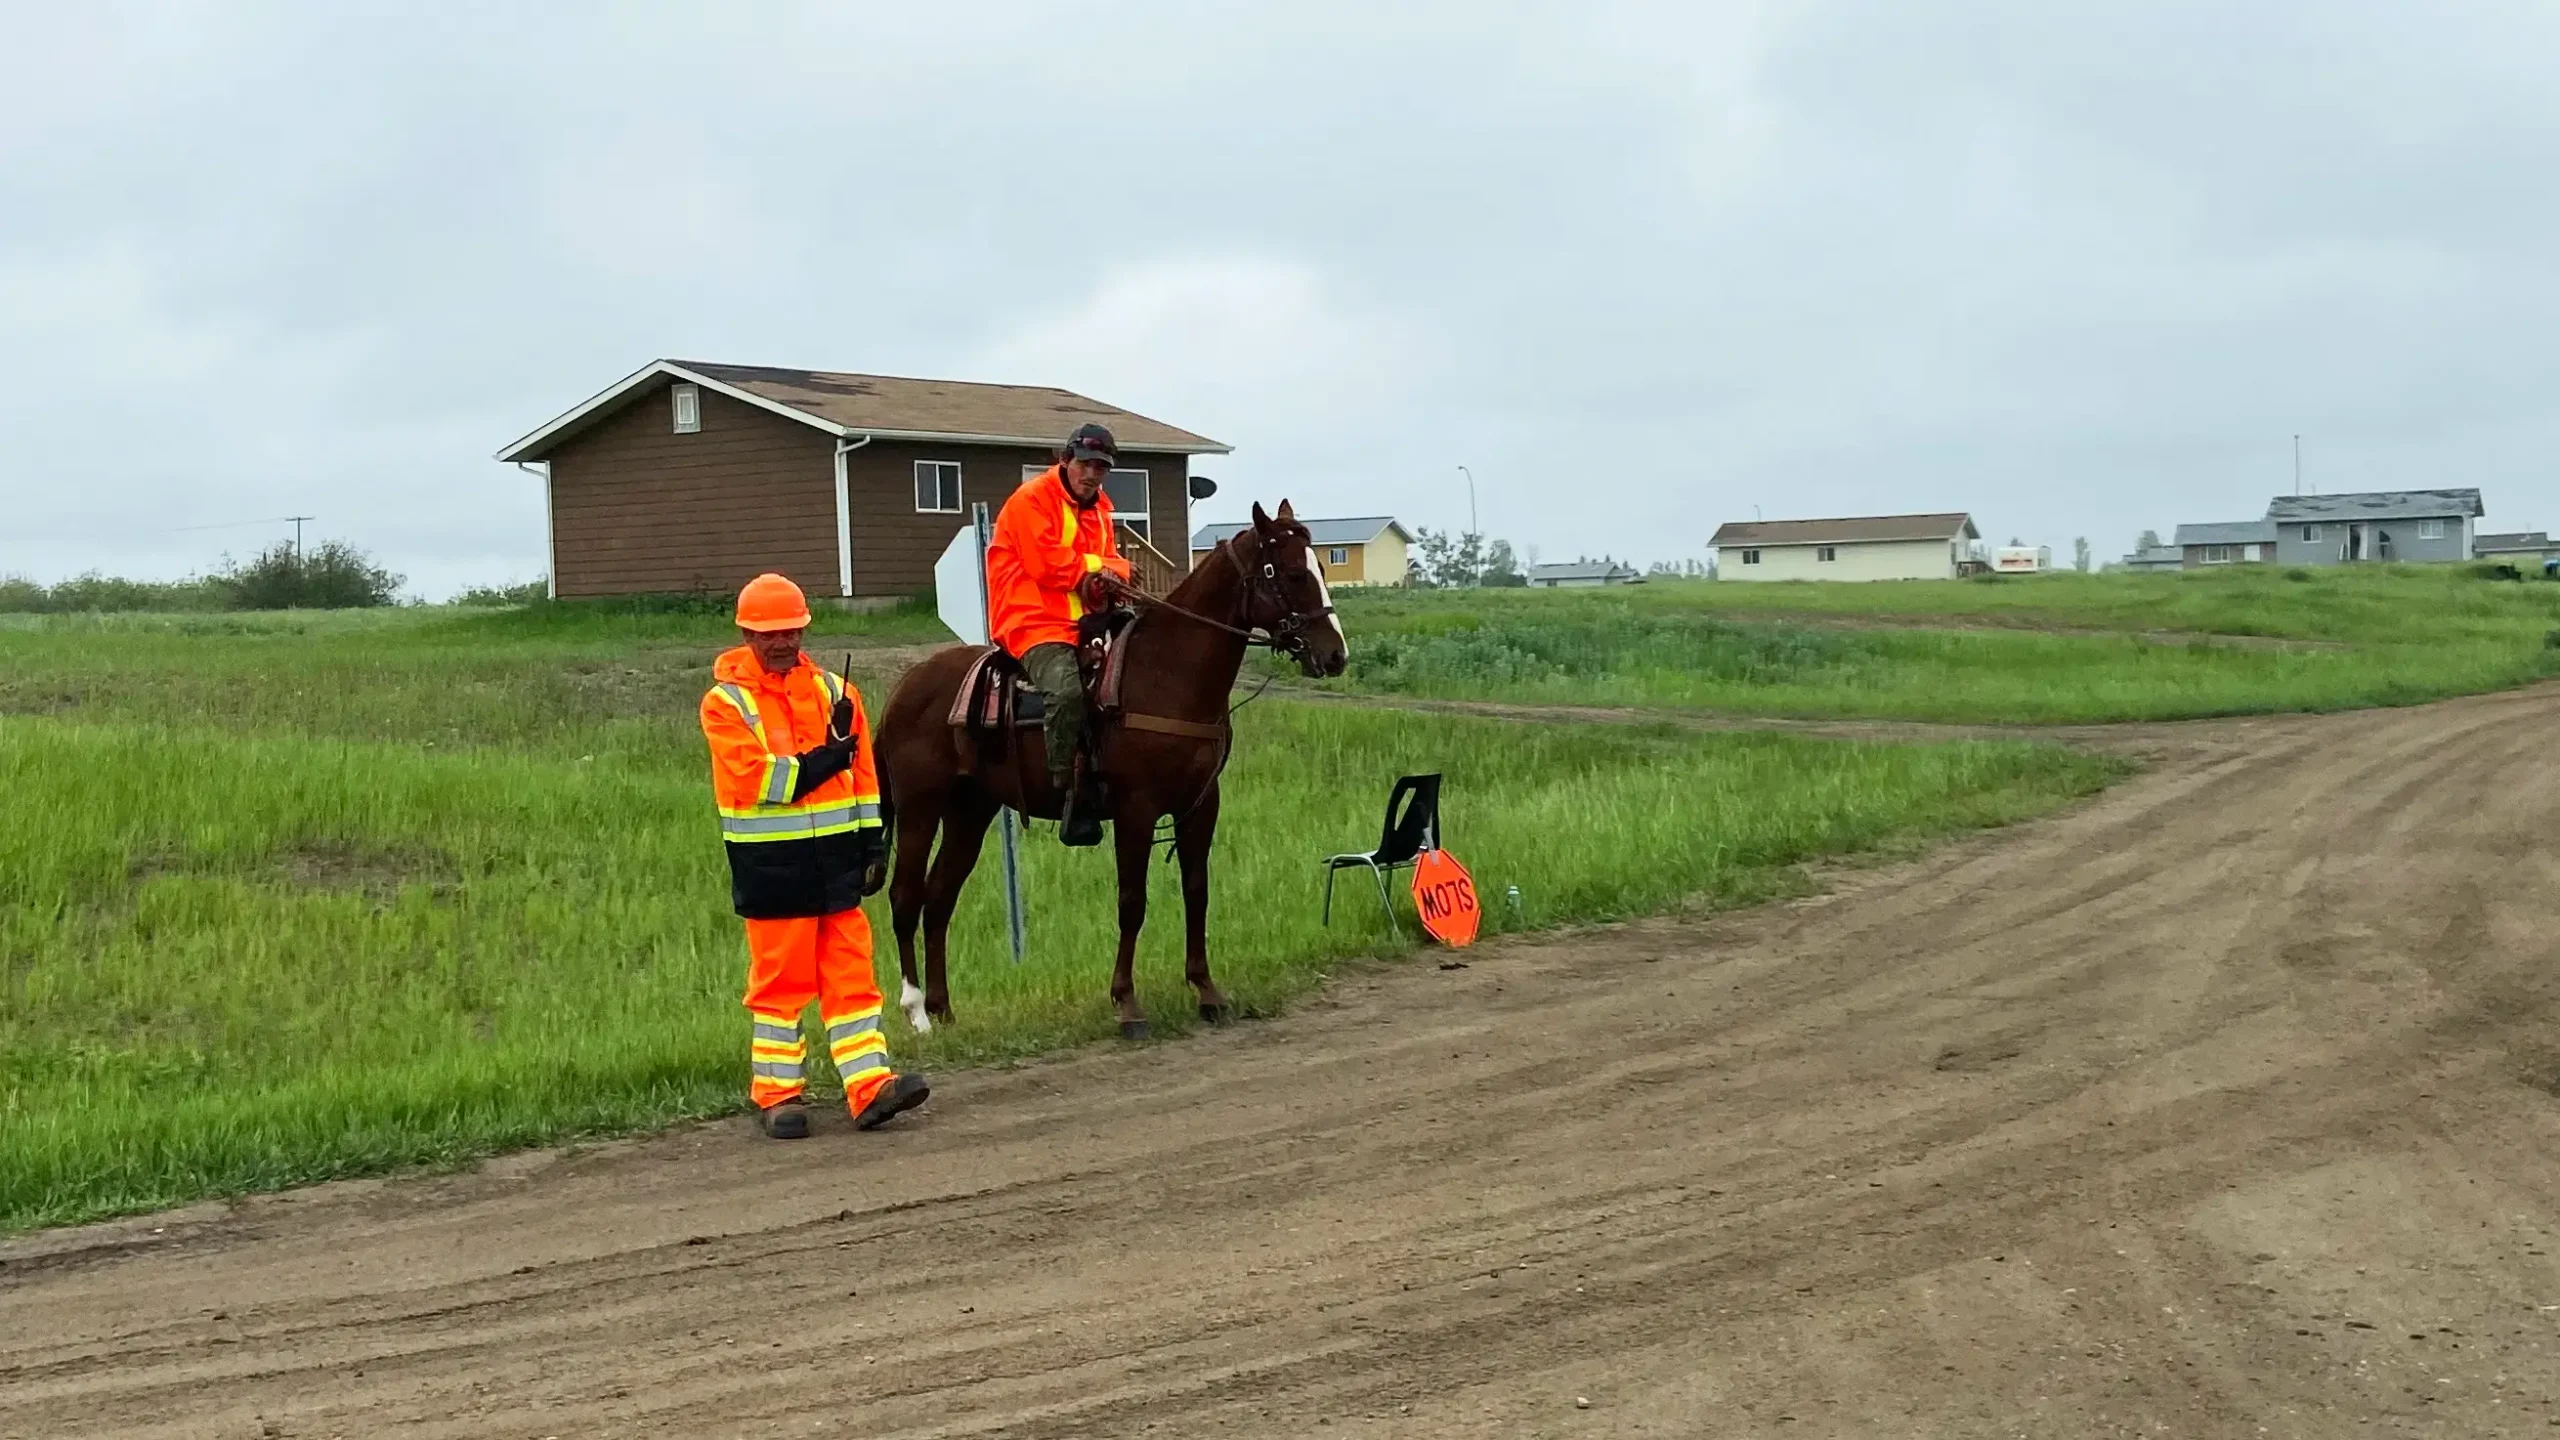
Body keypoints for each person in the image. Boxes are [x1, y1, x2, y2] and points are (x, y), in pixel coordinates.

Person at [701, 572, 930, 1139]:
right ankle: (779, 1097)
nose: (781, 642)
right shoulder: (725, 702)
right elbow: (759, 781)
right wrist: (825, 760)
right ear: (747, 635)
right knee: (780, 987)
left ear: (804, 629)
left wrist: (874, 844)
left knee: (853, 981)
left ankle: (870, 1087)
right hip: (772, 870)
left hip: (837, 868)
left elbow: (866, 780)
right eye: (768, 633)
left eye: (791, 631)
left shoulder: (837, 692)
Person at [984, 422, 1135, 847]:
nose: (1092, 474)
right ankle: (1065, 784)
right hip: (1032, 621)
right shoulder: (1030, 500)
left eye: (1100, 468)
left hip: (1088, 620)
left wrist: (1111, 573)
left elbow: (1111, 562)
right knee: (1066, 690)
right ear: (1065, 461)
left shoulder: (1101, 508)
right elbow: (1047, 564)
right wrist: (1105, 570)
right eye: (1085, 465)